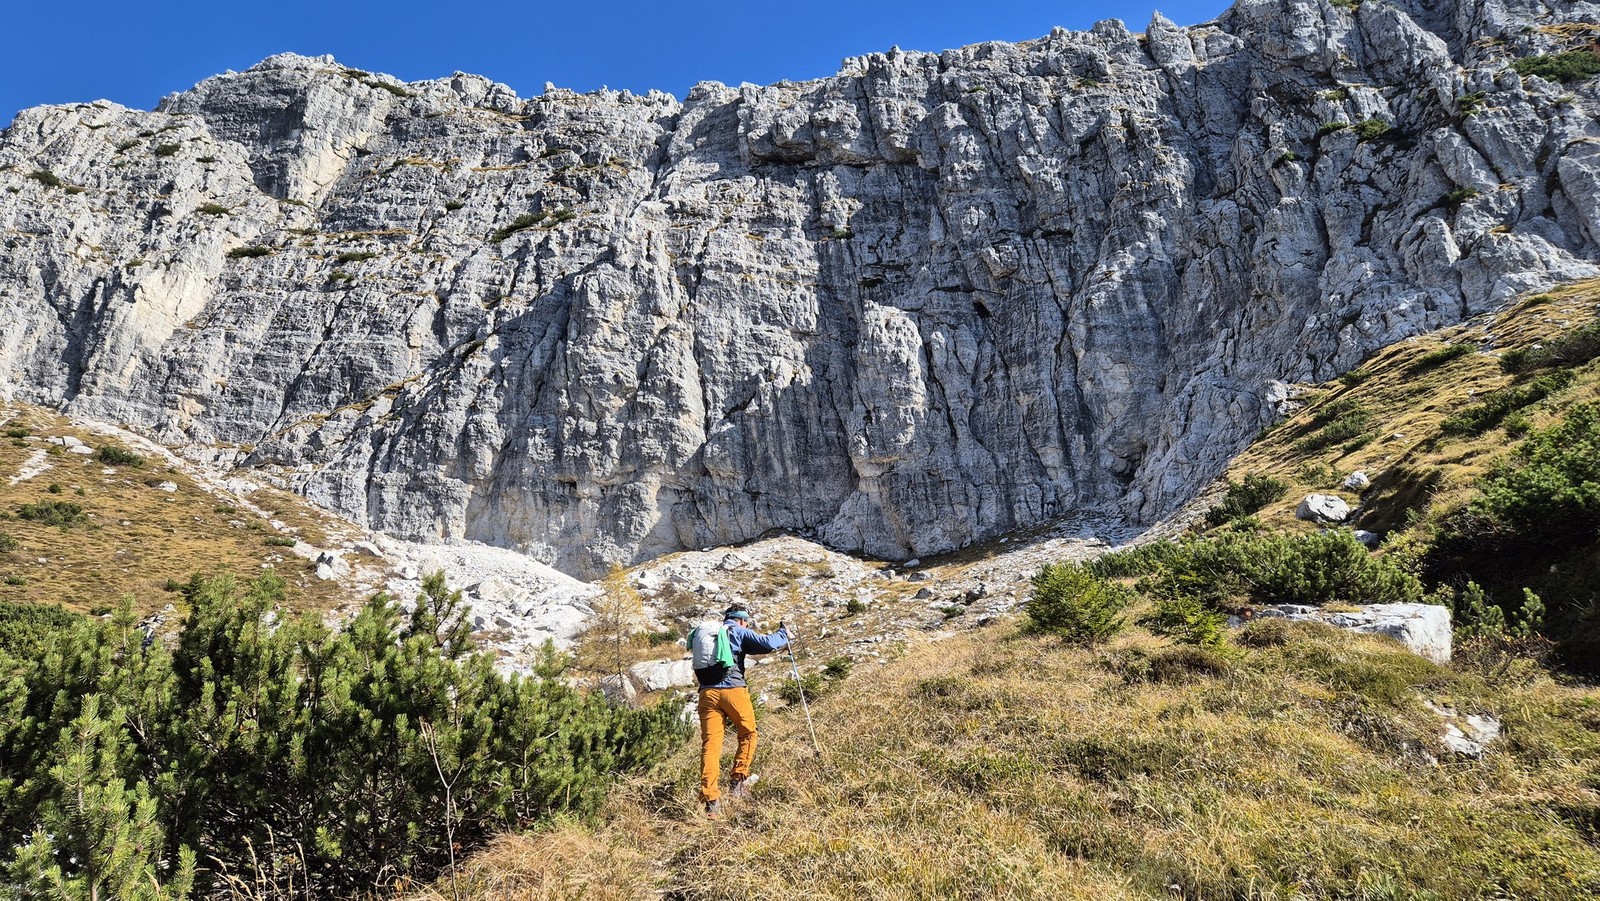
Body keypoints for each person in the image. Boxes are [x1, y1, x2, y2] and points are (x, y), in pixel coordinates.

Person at [696, 603, 789, 817]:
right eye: (746, 621)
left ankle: (711, 802)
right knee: (748, 733)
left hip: (707, 694)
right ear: (741, 619)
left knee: (710, 746)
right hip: (733, 691)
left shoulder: (711, 634)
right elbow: (768, 644)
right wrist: (784, 632)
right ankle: (738, 781)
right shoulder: (737, 630)